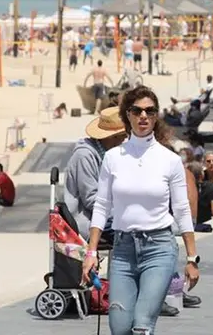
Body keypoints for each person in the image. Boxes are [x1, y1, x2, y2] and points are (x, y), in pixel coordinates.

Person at [82, 86, 199, 335]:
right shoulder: (113, 157)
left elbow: (181, 209)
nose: (143, 116)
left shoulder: (169, 160)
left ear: (156, 116)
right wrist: (90, 252)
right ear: (128, 115)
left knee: (142, 325)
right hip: (123, 251)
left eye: (150, 111)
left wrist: (191, 258)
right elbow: (102, 206)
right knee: (120, 328)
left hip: (159, 248)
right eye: (137, 111)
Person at [63, 107, 128, 241]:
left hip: (107, 213)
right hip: (88, 220)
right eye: (122, 137)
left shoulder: (108, 154)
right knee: (132, 233)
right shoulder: (84, 156)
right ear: (112, 137)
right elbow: (91, 200)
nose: (124, 141)